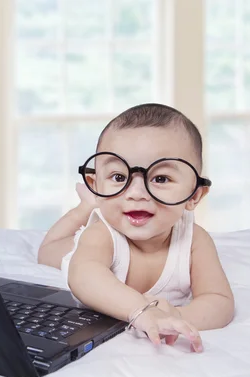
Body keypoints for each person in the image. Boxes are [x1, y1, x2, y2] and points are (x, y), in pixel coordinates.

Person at [37, 103, 234, 353]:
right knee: (48, 251)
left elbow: (220, 301)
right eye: (119, 178)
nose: (137, 193)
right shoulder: (102, 234)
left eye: (160, 179)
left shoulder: (195, 240)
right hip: (76, 253)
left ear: (194, 195)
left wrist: (177, 316)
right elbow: (84, 276)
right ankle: (86, 206)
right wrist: (140, 310)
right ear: (95, 182)